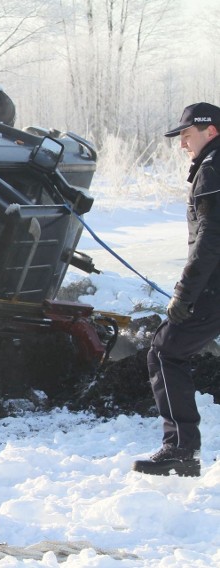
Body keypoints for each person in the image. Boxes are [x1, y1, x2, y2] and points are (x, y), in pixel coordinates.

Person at [132, 102, 220, 478]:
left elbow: (210, 239)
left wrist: (185, 294)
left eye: (187, 135)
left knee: (165, 351)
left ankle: (180, 449)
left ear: (210, 131)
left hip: (214, 287)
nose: (183, 144)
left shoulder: (213, 169)